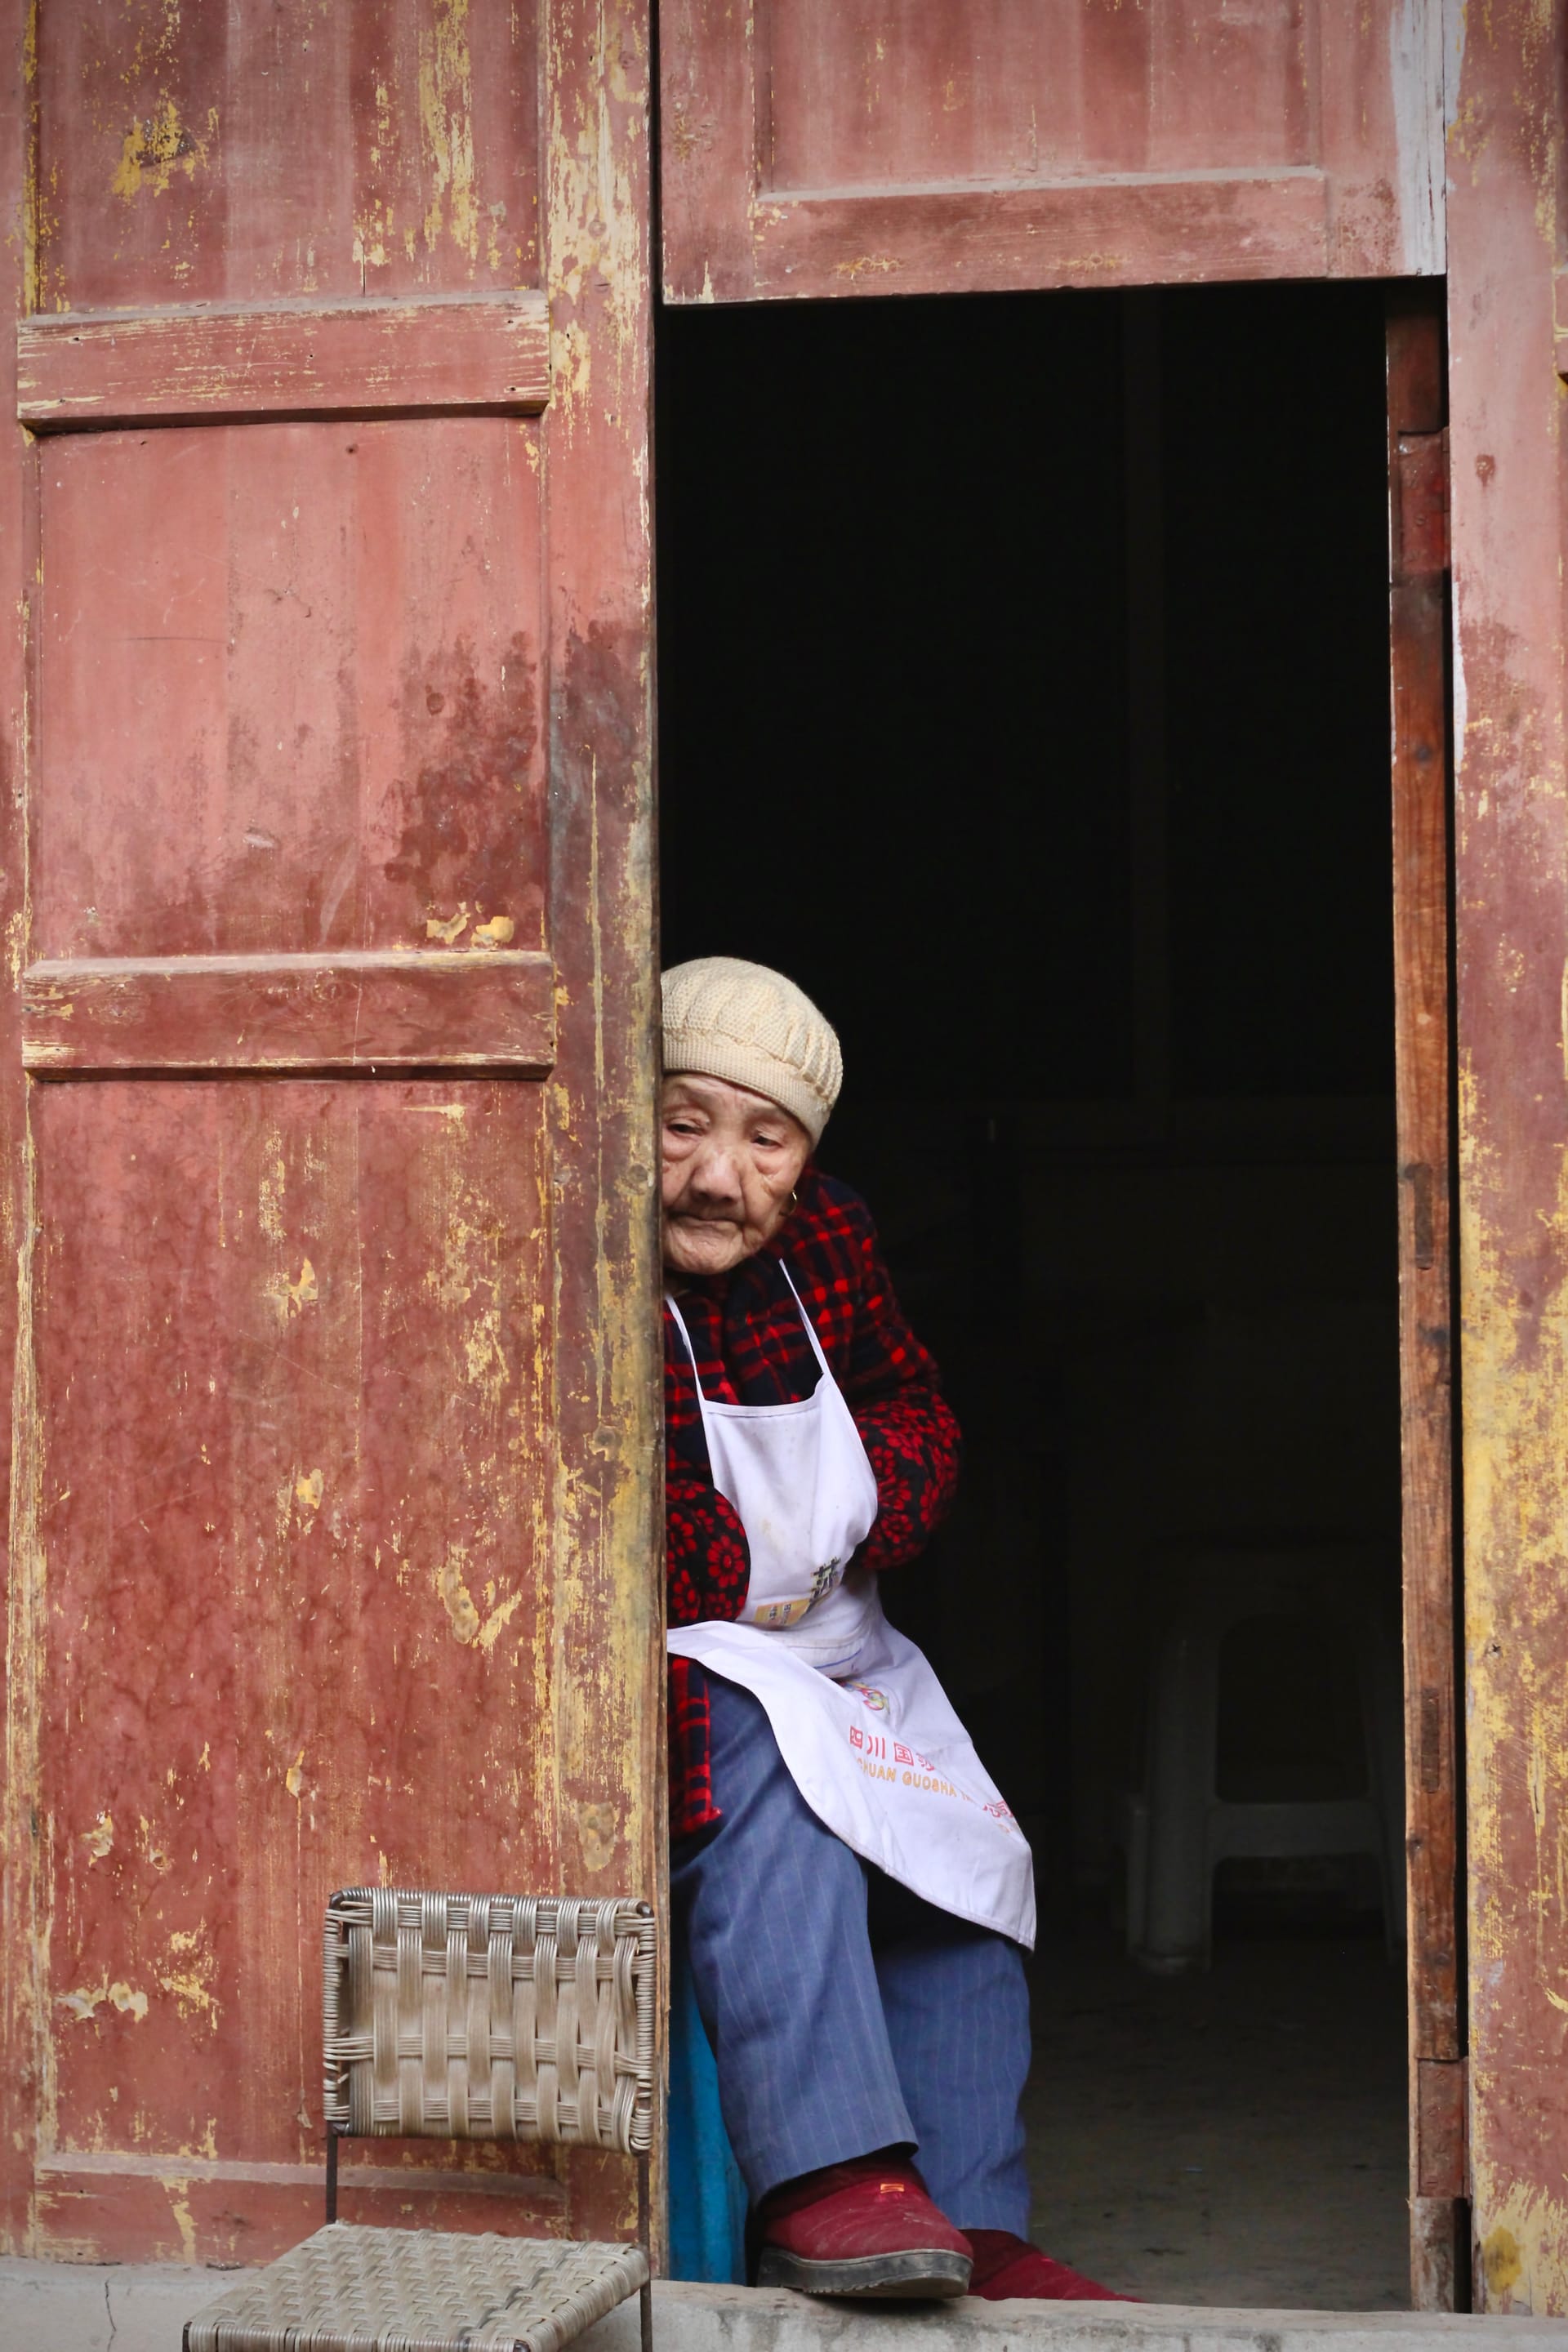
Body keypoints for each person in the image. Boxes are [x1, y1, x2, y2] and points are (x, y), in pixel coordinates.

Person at [662, 956, 1127, 2302]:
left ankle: (977, 2223)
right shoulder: (590, 1259)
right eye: (684, 1124)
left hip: (838, 1631)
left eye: (765, 1140)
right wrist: (755, 1555)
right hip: (691, 1651)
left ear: (804, 1160)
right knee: (773, 1765)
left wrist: (882, 1504)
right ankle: (832, 2175)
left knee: (959, 1845)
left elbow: (911, 1404)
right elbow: (652, 1539)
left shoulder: (830, 1242)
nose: (715, 1176)